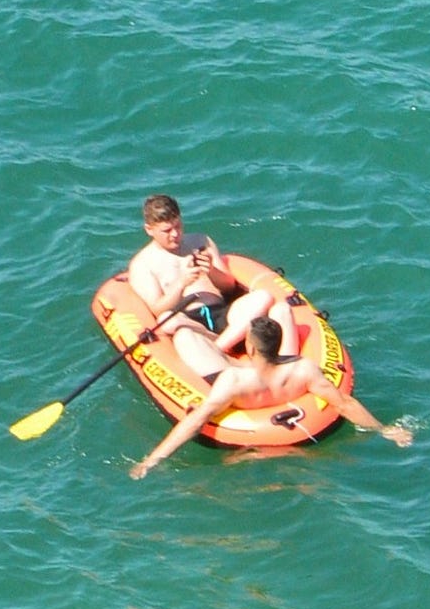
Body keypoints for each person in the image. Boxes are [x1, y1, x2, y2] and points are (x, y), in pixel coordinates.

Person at [130, 316, 413, 478]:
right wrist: (386, 430)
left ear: (251, 349)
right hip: (305, 455)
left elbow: (196, 421)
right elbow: (345, 404)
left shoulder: (234, 381)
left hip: (243, 438)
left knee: (184, 337)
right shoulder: (303, 370)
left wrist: (151, 460)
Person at [127, 194, 296, 379]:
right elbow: (157, 309)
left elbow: (229, 287)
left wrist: (211, 271)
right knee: (167, 320)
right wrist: (182, 283)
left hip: (223, 314)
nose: (175, 234)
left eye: (178, 226)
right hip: (190, 322)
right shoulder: (143, 264)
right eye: (167, 230)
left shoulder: (201, 241)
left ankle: (220, 348)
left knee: (264, 297)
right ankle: (223, 356)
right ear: (149, 229)